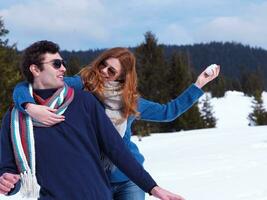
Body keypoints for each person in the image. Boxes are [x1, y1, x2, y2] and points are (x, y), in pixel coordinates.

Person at [12, 47, 220, 200]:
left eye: (111, 71)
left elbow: (168, 112)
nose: (103, 71)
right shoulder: (81, 86)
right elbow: (29, 85)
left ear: (121, 77)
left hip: (129, 178)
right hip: (93, 180)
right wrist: (29, 106)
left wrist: (199, 84)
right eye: (103, 64)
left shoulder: (130, 102)